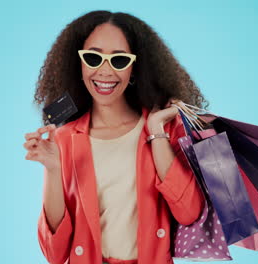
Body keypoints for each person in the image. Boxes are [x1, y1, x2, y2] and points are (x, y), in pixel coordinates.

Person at [23, 10, 208, 264]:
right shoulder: (64, 139)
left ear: (134, 68)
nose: (105, 70)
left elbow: (189, 213)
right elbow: (55, 254)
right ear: (79, 64)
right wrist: (53, 169)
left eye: (119, 60)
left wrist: (156, 131)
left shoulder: (162, 130)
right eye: (93, 58)